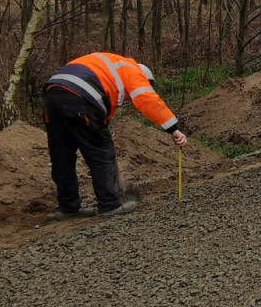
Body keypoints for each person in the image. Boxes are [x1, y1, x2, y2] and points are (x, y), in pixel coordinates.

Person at [44, 52, 187, 219]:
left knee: (62, 156)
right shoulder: (132, 70)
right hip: (81, 98)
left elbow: (101, 114)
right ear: (145, 78)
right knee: (101, 153)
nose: (128, 99)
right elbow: (147, 99)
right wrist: (173, 128)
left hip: (52, 96)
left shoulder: (107, 70)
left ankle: (68, 208)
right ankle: (110, 204)